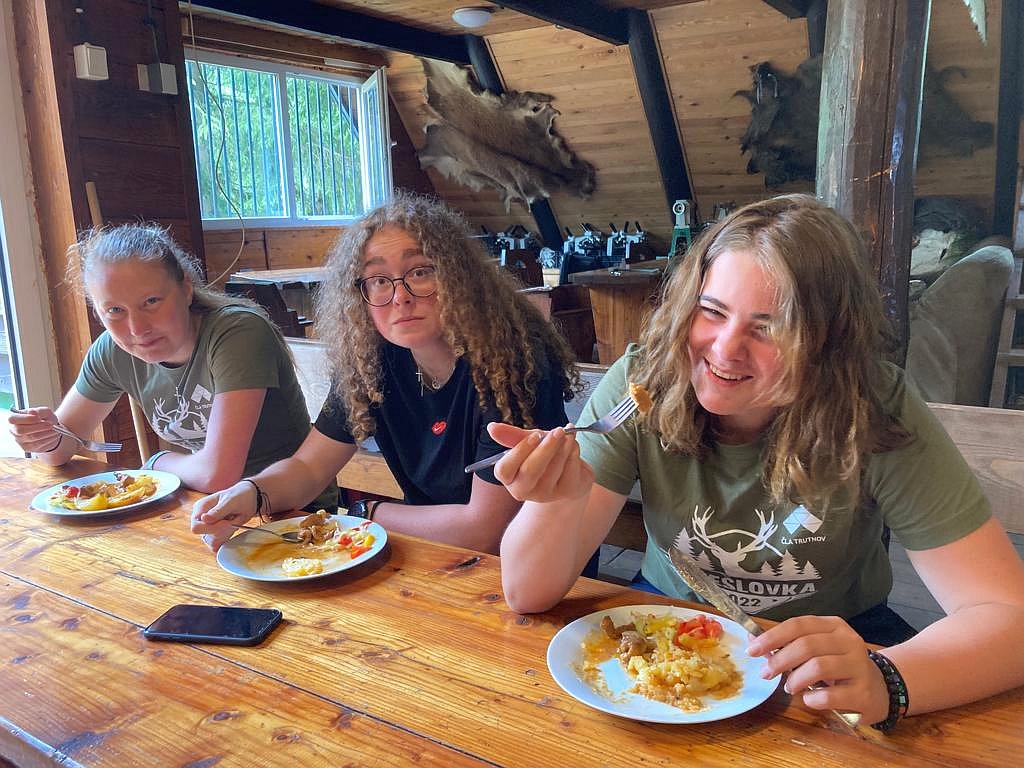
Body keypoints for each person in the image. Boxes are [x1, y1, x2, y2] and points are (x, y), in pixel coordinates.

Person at [490, 194, 1024, 729]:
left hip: (842, 641)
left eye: (769, 328)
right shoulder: (643, 383)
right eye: (712, 311)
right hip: (665, 623)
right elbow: (527, 594)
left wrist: (888, 678)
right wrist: (559, 500)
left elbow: (1009, 617)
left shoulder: (874, 407)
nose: (725, 350)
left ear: (828, 343)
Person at [190, 192, 579, 554]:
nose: (400, 296)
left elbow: (484, 529)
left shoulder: (510, 363)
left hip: (531, 565)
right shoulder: (372, 361)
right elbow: (309, 467)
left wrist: (365, 514)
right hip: (431, 554)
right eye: (378, 280)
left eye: (421, 272)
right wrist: (252, 493)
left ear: (459, 277)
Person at [8, 224, 331, 501]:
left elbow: (217, 474)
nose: (137, 328)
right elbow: (59, 450)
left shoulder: (238, 333)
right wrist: (44, 437)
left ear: (186, 289)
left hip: (292, 511)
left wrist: (157, 463)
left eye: (151, 302)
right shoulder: (111, 351)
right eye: (115, 311)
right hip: (205, 507)